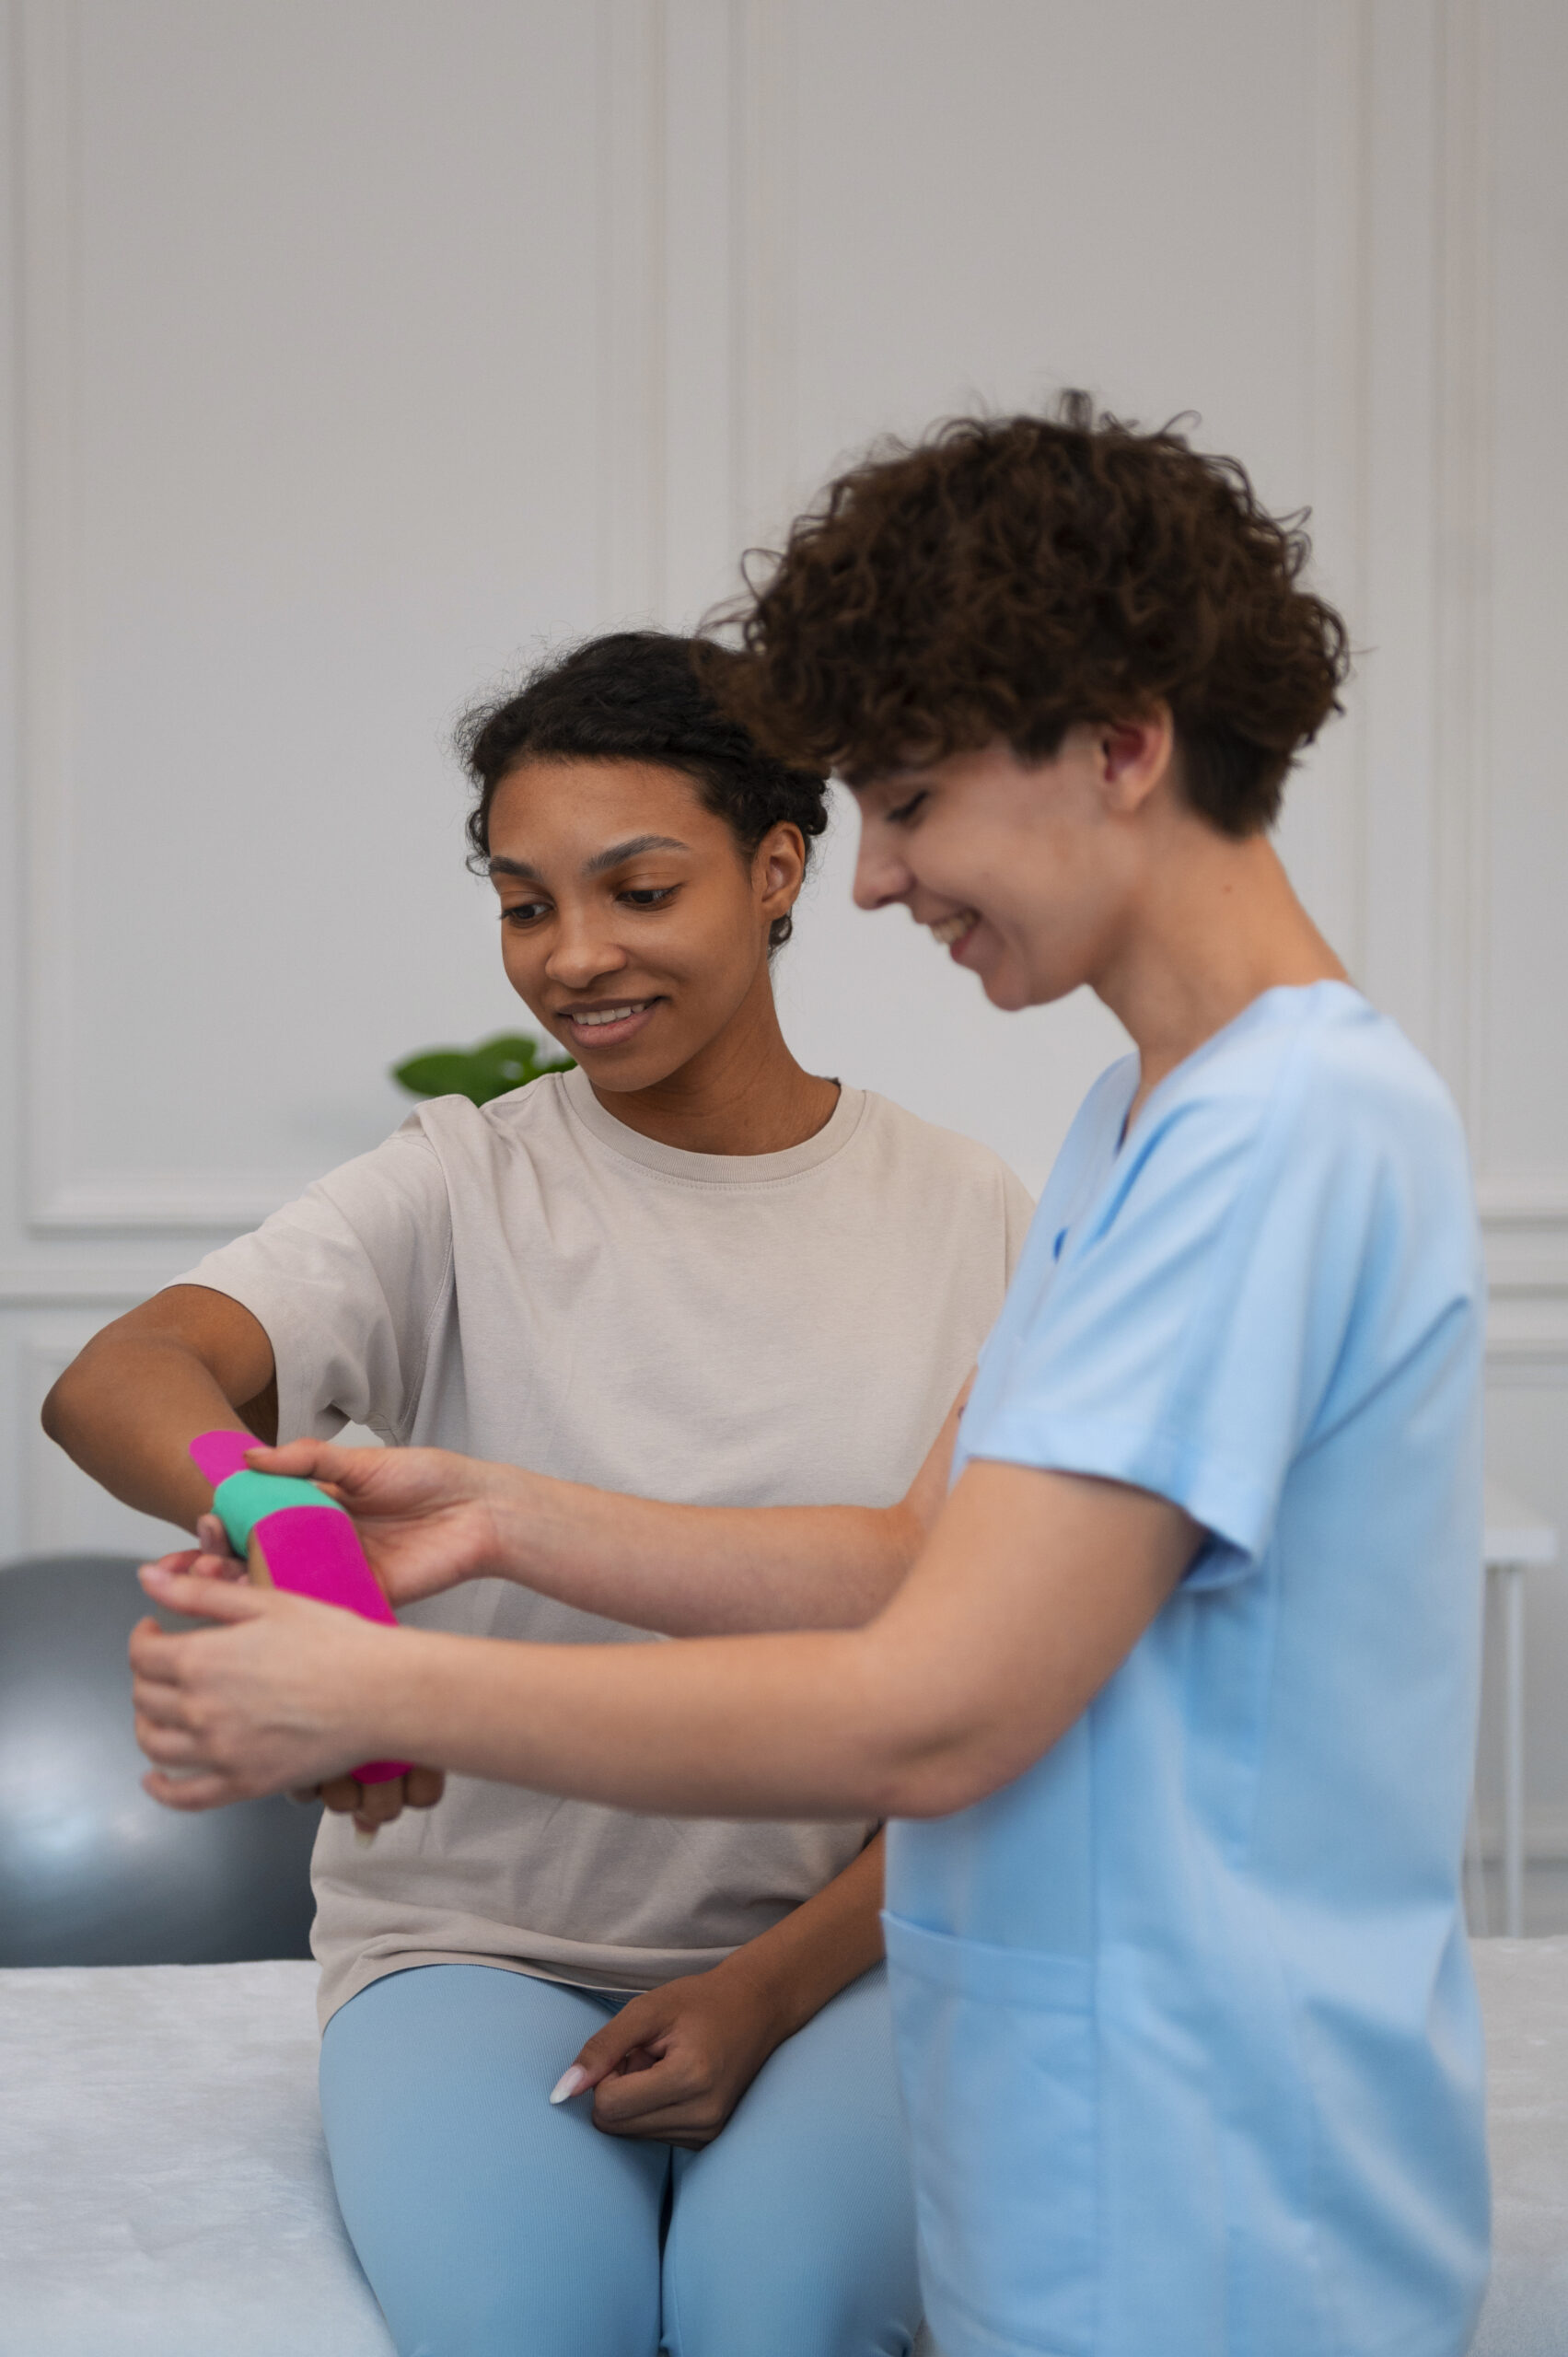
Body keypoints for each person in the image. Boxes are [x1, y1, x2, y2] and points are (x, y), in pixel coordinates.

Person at [122, 402, 1489, 2357]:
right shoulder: (1143, 1121)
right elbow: (921, 1550)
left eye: (912, 796)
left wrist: (363, 1682)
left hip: (1210, 2177)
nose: (870, 879)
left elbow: (937, 1707)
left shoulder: (1284, 1138)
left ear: (1121, 746)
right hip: (1066, 2127)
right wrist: (504, 1519)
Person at [43, 630, 1034, 2357]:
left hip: (846, 1957)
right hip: (471, 1951)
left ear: (778, 867)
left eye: (637, 889)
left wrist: (771, 1984)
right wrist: (284, 1526)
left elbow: (996, 1686)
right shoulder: (455, 1185)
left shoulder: (979, 1224)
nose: (574, 957)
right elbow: (118, 1377)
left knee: (773, 2317)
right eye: (523, 904)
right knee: (536, 2330)